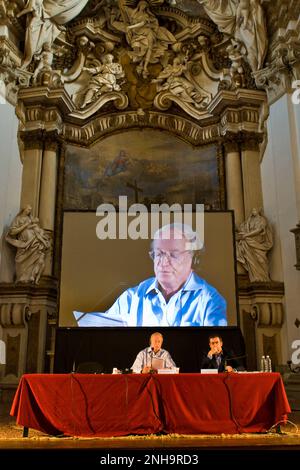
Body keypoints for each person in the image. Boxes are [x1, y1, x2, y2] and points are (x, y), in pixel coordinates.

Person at [74, 223, 227, 327]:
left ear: (194, 257)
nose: (163, 262)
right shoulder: (132, 298)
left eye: (173, 255)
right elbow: (102, 337)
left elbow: (216, 349)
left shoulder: (209, 300)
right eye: (159, 254)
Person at [236, 208, 273, 282]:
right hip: (249, 240)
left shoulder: (262, 220)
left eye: (255, 210)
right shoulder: (249, 221)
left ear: (258, 211)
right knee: (251, 258)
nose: (253, 211)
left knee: (261, 260)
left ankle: (263, 277)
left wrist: (246, 235)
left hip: (258, 242)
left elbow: (258, 230)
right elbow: (242, 229)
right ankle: (255, 277)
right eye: (252, 210)